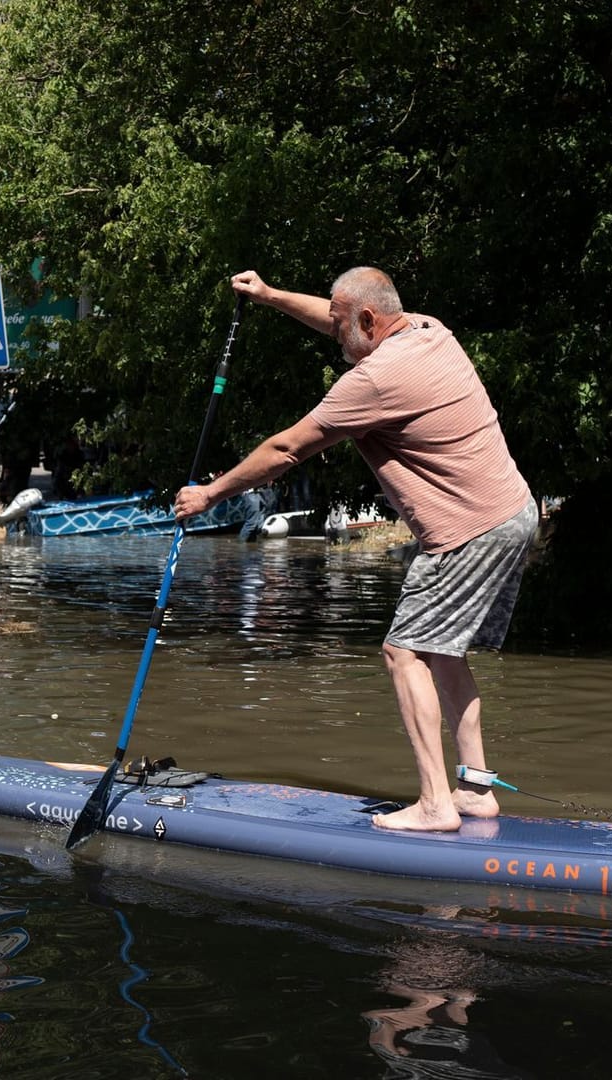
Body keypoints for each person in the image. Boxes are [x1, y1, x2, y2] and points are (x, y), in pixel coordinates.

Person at [173, 268, 538, 833]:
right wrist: (270, 297)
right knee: (441, 650)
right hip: (513, 513)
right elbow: (340, 317)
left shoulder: (373, 380)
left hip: (469, 530)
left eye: (341, 322)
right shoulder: (427, 329)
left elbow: (287, 449)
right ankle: (476, 789)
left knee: (403, 652)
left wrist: (209, 495)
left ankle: (436, 805)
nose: (334, 331)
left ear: (368, 320)